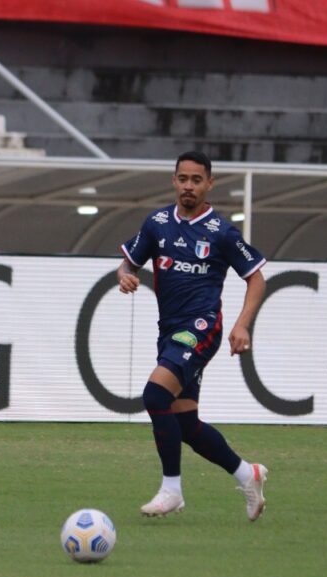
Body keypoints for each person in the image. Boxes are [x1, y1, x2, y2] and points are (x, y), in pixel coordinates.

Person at [117, 150, 269, 521]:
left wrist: (242, 324)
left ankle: (172, 490)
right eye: (183, 179)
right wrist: (124, 275)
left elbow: (257, 277)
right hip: (170, 332)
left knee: (154, 395)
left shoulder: (221, 232)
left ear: (209, 184)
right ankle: (246, 474)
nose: (188, 186)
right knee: (185, 424)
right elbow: (128, 261)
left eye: (196, 180)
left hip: (201, 328)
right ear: (174, 180)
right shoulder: (156, 224)